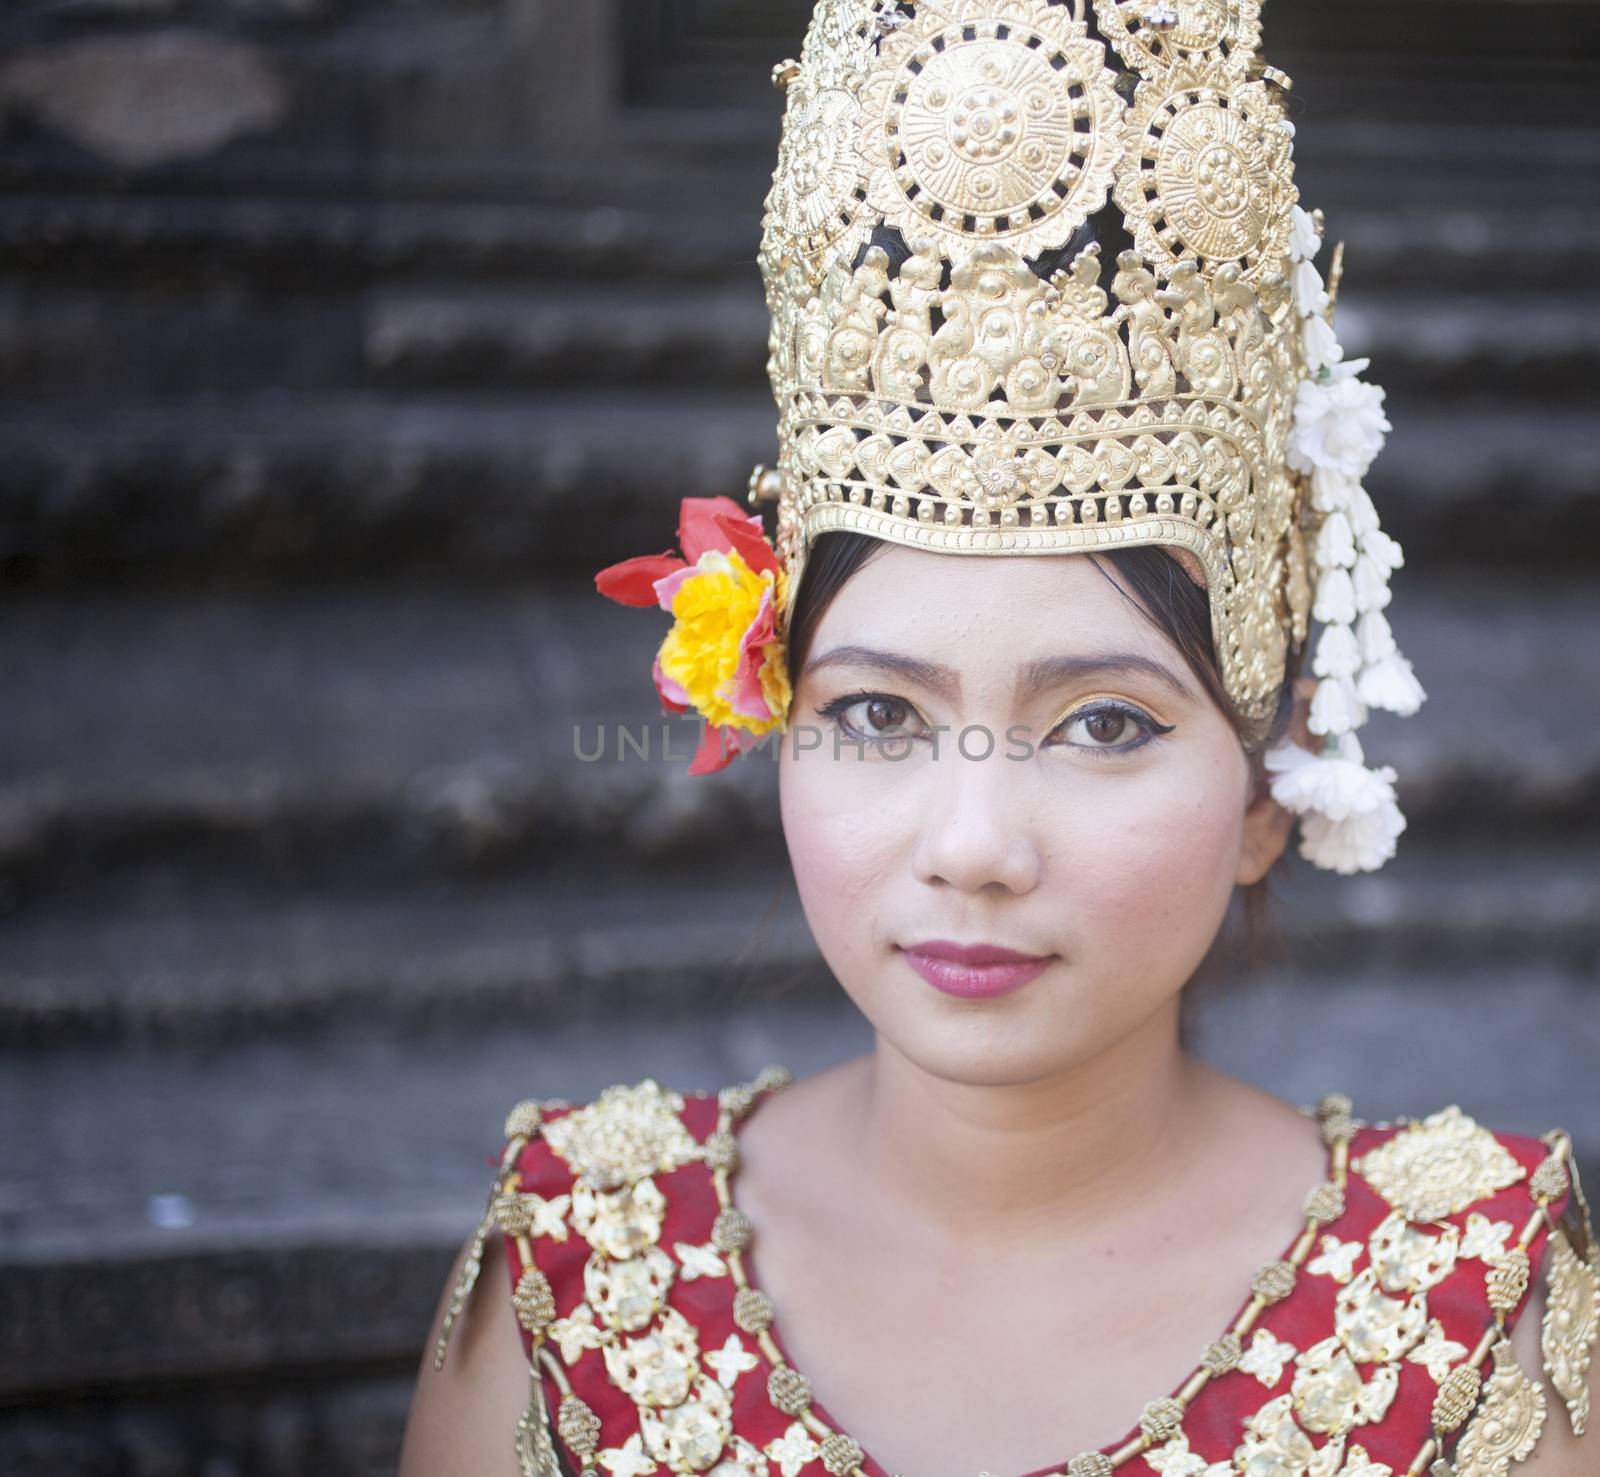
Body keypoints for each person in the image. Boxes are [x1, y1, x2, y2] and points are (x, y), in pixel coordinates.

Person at [397, 4, 1599, 1475]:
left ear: (1275, 781)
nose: (972, 847)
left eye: (1103, 723)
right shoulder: (576, 1275)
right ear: (769, 711)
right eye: (879, 714)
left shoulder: (1478, 1321)